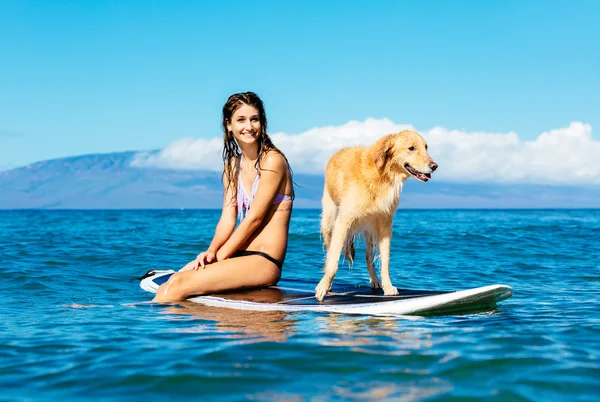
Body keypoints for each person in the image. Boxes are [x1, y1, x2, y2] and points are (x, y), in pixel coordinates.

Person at [153, 92, 294, 302]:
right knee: (174, 280)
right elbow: (228, 219)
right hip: (237, 256)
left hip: (264, 260)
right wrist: (210, 251)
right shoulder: (232, 167)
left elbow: (254, 219)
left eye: (254, 119)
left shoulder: (273, 161)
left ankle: (136, 330)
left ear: (262, 123)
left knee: (179, 285)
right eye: (241, 120)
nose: (249, 126)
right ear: (228, 125)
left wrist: (219, 258)